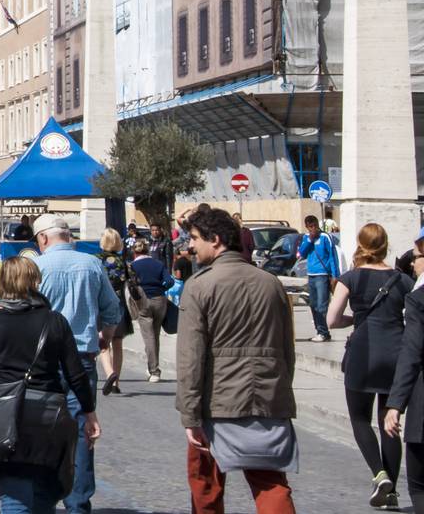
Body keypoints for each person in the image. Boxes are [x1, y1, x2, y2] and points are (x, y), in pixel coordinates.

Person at [177, 204, 298, 514]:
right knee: (270, 481)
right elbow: (287, 349)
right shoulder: (271, 283)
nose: (189, 246)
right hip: (268, 398)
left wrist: (189, 414)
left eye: (193, 238)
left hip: (217, 402)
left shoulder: (200, 286)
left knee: (205, 482)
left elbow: (191, 357)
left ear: (214, 239)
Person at [0, 255, 100, 513]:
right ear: (35, 281)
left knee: (15, 494)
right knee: (44, 494)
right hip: (48, 413)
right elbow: (75, 373)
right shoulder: (54, 321)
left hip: (4, 413)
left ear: (3, 283)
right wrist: (89, 413)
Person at [33, 213, 121, 514]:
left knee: (41, 430)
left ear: (43, 238)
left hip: (44, 360)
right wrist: (105, 337)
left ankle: (43, 498)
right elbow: (112, 309)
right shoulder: (92, 264)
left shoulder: (38, 267)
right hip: (82, 358)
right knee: (82, 431)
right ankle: (78, 503)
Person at [329, 222, 410, 508]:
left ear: (360, 244)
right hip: (396, 354)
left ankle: (379, 474)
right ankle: (392, 494)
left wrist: (357, 320)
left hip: (363, 352)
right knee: (390, 422)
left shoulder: (350, 278)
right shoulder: (402, 280)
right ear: (386, 245)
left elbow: (332, 320)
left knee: (359, 418)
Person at [384, 230, 424, 513]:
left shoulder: (419, 300)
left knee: (419, 485)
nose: (412, 262)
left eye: (416, 256)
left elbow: (411, 353)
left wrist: (395, 403)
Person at [127, 238, 174, 383]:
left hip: (143, 301)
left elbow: (129, 284)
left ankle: (154, 370)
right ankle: (152, 365)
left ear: (134, 252)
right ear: (148, 250)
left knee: (149, 337)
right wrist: (161, 289)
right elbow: (170, 281)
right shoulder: (158, 264)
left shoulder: (132, 266)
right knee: (155, 334)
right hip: (160, 300)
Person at [96, 227, 135, 395]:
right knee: (118, 343)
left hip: (102, 304)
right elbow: (132, 281)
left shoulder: (96, 260)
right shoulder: (123, 262)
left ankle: (109, 373)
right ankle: (116, 381)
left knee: (103, 343)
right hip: (119, 304)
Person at [297, 214, 338, 343]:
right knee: (313, 305)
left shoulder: (325, 237)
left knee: (322, 305)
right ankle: (319, 331)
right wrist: (310, 239)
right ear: (307, 227)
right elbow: (301, 253)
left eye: (314, 226)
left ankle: (324, 332)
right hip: (311, 274)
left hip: (322, 275)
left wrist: (335, 275)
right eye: (310, 227)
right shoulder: (305, 238)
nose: (313, 229)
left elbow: (332, 256)